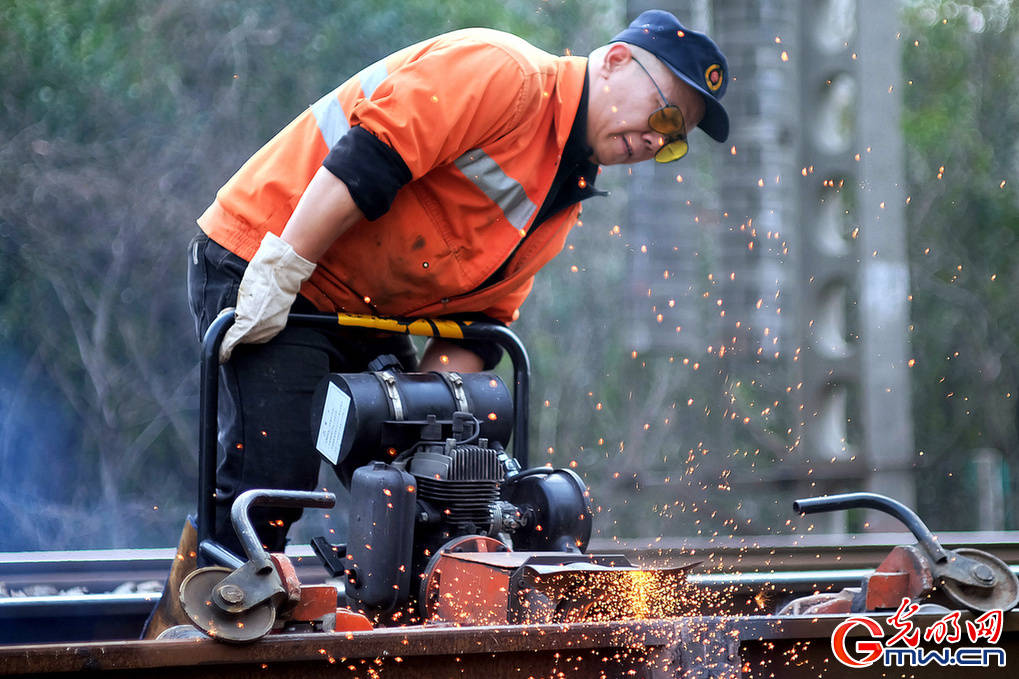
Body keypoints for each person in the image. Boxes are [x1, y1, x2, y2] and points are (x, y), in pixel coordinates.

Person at [187, 9, 730, 556]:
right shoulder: (504, 74)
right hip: (269, 259)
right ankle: (201, 623)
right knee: (271, 491)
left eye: (674, 142)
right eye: (664, 118)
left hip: (363, 315)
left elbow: (476, 328)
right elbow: (368, 162)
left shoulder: (561, 197)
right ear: (616, 61)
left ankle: (396, 613)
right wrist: (282, 269)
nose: (658, 143)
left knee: (432, 499)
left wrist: (433, 443)